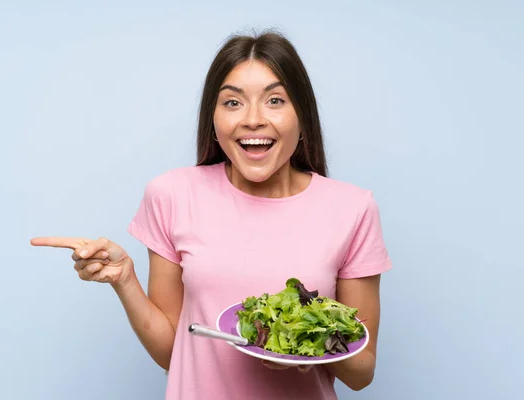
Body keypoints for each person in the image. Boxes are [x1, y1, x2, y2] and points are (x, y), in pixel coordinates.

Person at [31, 30, 393, 400]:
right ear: (214, 120)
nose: (253, 119)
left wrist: (308, 345)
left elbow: (361, 372)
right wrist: (125, 281)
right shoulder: (172, 194)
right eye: (233, 103)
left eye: (275, 100)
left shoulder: (352, 208)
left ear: (302, 117)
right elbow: (172, 351)